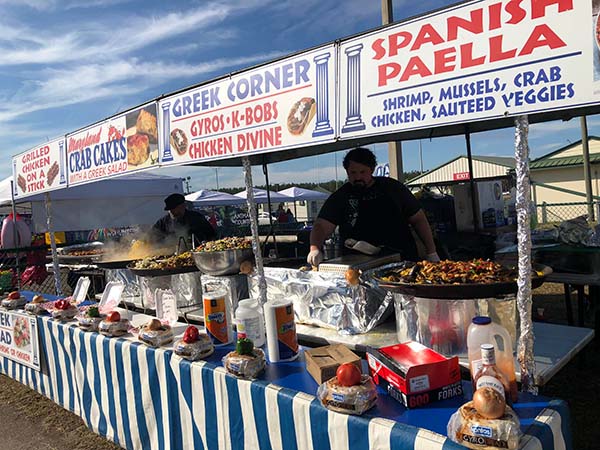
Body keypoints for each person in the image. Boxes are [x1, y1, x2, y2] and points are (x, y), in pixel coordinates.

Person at [307, 147, 439, 267]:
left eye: (362, 172)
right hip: (357, 265)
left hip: (401, 260)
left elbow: (419, 219)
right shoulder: (341, 196)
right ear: (347, 172)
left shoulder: (393, 188)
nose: (358, 177)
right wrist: (315, 248)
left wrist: (431, 252)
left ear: (372, 170)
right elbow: (321, 226)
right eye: (353, 173)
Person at [151, 193, 216, 246]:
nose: (171, 212)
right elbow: (152, 236)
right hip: (172, 256)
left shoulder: (196, 217)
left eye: (174, 209)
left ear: (183, 206)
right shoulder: (163, 222)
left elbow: (211, 234)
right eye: (170, 210)